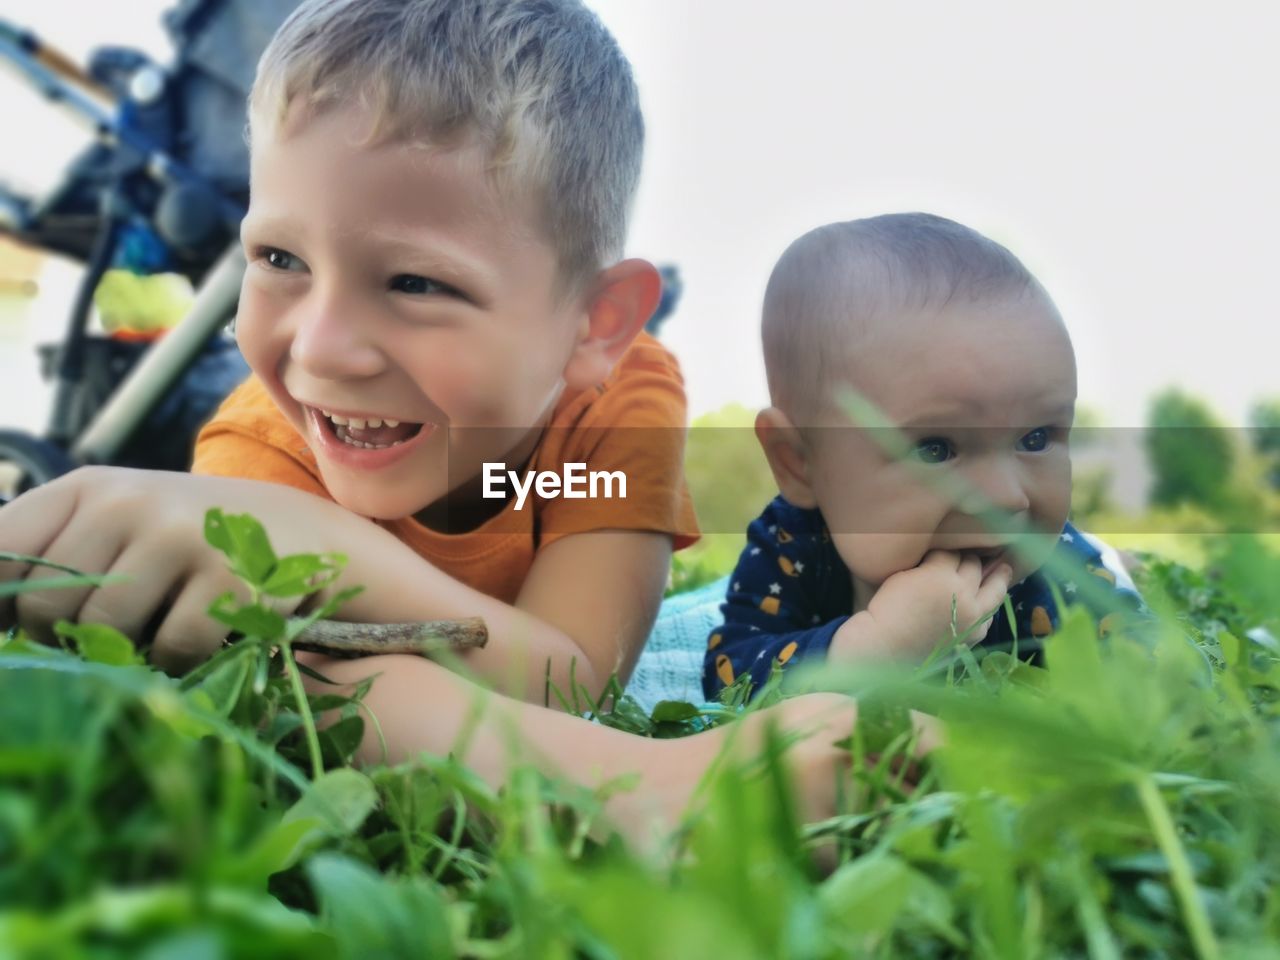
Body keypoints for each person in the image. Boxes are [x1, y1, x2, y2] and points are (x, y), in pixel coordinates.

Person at [0, 0, 908, 850]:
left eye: (415, 283)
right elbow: (273, 676)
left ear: (594, 325)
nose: (320, 352)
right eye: (279, 257)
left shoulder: (618, 406)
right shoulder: (266, 440)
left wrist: (324, 551)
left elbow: (573, 676)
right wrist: (632, 779)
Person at [706, 213, 1143, 700]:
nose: (1007, 495)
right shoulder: (794, 545)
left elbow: (1158, 665)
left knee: (1110, 571)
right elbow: (730, 677)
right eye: (937, 449)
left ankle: (1120, 560)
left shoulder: (1052, 560)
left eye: (1036, 438)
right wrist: (875, 645)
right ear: (799, 462)